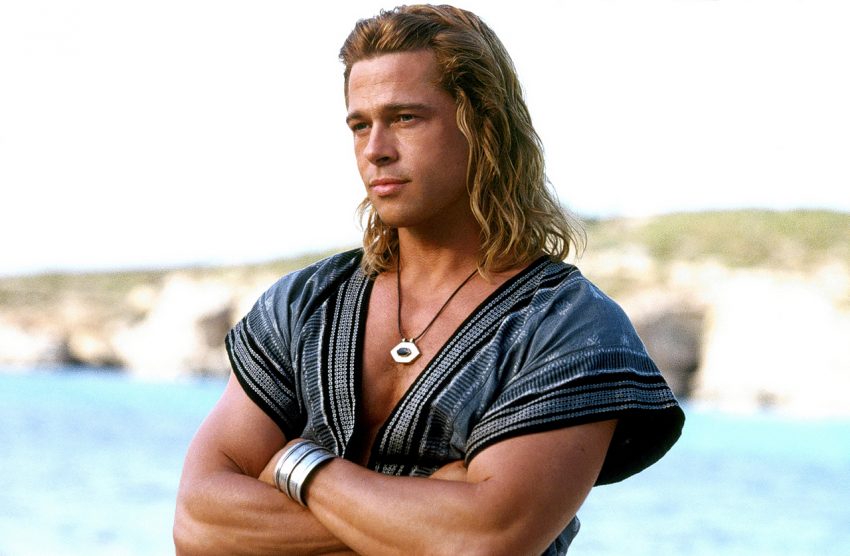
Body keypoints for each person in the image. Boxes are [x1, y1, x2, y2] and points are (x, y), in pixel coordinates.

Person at [173, 5, 685, 555]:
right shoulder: (303, 305)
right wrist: (427, 519)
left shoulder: (568, 328)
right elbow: (198, 525)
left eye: (405, 118)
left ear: (484, 125)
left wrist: (298, 465)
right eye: (360, 125)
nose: (375, 150)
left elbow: (484, 541)